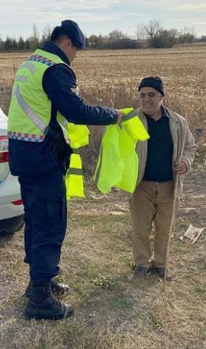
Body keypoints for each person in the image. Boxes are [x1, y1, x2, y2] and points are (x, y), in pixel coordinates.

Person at [7, 20, 122, 320]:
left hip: (24, 155)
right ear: (68, 42)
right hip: (44, 159)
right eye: (77, 51)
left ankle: (38, 282)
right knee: (50, 223)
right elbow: (76, 111)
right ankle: (40, 300)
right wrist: (113, 115)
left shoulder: (30, 63)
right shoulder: (55, 67)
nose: (76, 57)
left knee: (35, 219)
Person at [130, 76, 196, 279]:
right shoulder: (132, 121)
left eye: (151, 95)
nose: (146, 99)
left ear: (161, 97)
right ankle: (141, 265)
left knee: (165, 229)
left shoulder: (178, 122)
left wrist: (185, 162)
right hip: (141, 186)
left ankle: (161, 265)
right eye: (142, 95)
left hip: (169, 186)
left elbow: (190, 148)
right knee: (140, 228)